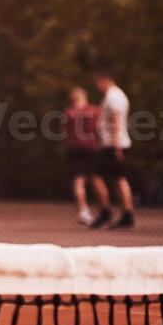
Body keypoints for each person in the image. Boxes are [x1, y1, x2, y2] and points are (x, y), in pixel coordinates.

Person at [89, 69, 135, 229]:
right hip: (113, 144)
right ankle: (127, 213)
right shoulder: (112, 95)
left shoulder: (114, 96)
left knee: (96, 175)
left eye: (98, 83)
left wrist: (116, 146)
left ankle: (106, 210)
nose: (97, 87)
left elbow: (116, 120)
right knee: (118, 178)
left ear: (104, 80)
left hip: (114, 145)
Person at [64, 86, 107, 225]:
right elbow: (101, 129)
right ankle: (104, 209)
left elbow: (64, 130)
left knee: (78, 181)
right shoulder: (95, 111)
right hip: (92, 148)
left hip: (75, 148)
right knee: (96, 179)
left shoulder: (69, 112)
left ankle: (83, 210)